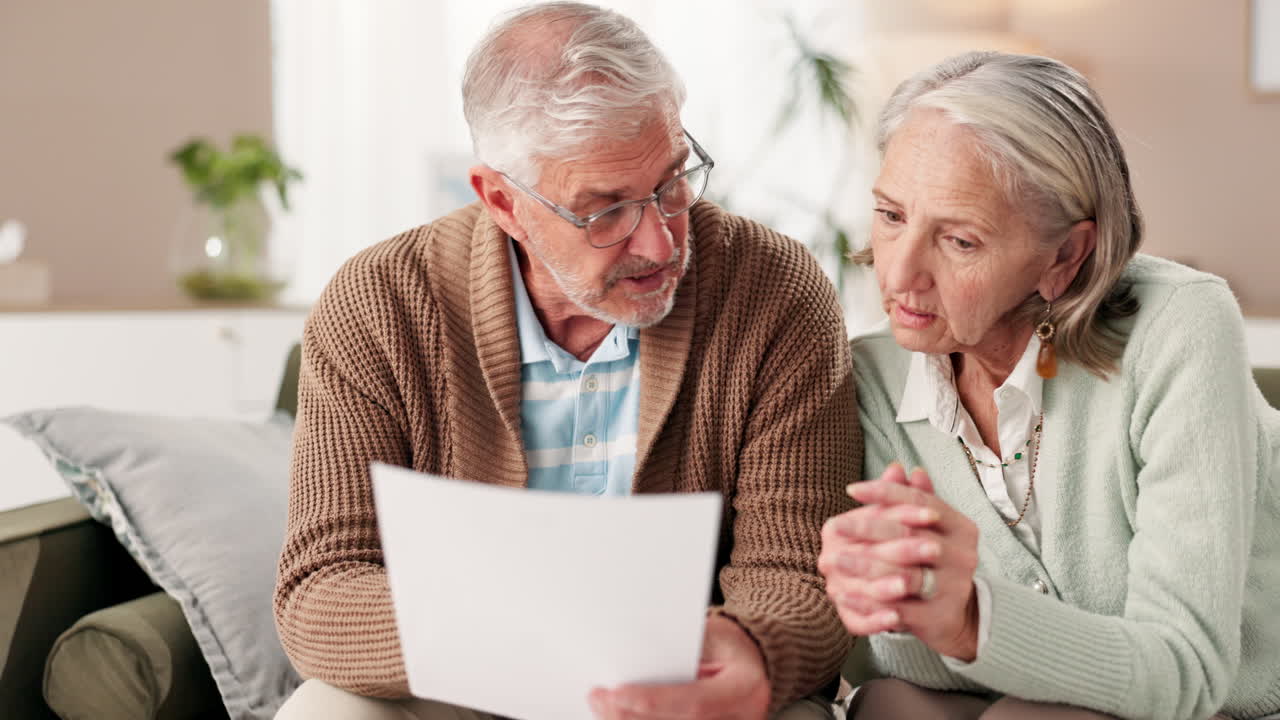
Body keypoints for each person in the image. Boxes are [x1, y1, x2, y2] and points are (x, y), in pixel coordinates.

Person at [272, 3, 859, 719]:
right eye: (605, 210)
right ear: (502, 201)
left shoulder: (774, 289)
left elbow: (798, 573)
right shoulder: (378, 303)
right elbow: (322, 590)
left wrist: (749, 646)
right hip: (463, 680)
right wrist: (535, 636)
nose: (660, 243)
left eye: (671, 183)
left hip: (681, 681)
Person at [819, 51, 1280, 720]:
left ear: (1065, 257)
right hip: (1026, 704)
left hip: (1234, 705)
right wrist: (904, 597)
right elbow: (910, 666)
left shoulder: (1179, 327)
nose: (898, 276)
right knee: (889, 706)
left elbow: (1186, 669)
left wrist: (970, 613)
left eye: (959, 240)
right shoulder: (872, 376)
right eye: (891, 217)